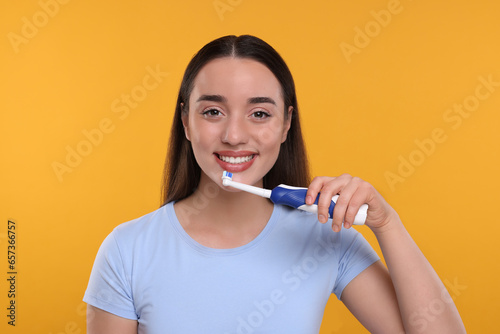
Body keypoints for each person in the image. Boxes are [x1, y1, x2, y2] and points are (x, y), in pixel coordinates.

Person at [84, 35, 466, 333]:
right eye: (213, 112)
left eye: (260, 113)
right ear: (185, 121)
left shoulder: (325, 235)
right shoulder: (127, 251)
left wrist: (388, 224)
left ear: (285, 125)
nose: (234, 135)